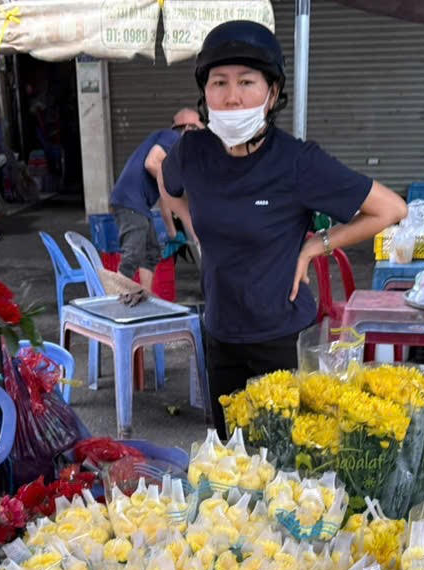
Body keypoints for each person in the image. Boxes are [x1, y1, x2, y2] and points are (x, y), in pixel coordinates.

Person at [161, 20, 407, 436]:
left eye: (247, 82)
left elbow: (390, 209)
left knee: (286, 467)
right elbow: (168, 184)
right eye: (219, 82)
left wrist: (316, 245)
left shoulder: (297, 162)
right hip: (219, 335)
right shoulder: (192, 151)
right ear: (205, 93)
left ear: (272, 93)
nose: (232, 96)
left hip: (283, 339)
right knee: (231, 463)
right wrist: (190, 225)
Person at [110, 108, 203, 292]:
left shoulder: (171, 147)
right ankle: (113, 302)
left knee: (151, 252)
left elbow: (164, 194)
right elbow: (151, 163)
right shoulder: (173, 138)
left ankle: (146, 297)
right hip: (130, 201)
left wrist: (171, 230)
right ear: (189, 129)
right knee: (132, 255)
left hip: (137, 204)